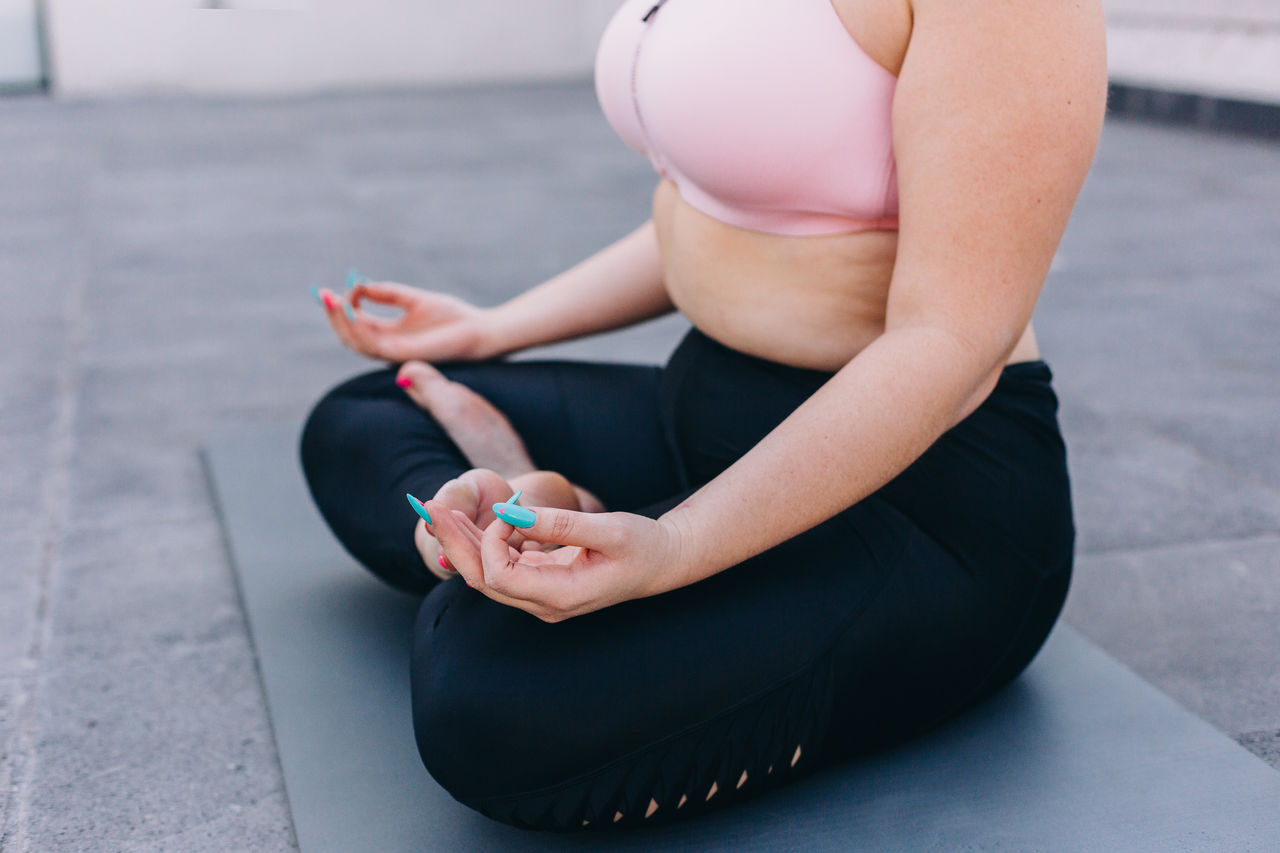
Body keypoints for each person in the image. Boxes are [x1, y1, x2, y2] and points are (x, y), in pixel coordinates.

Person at [300, 0, 1108, 831]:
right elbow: (725, 205)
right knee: (368, 414)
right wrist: (493, 327)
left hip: (920, 501)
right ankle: (504, 526)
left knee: (486, 694)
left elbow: (955, 343)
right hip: (707, 423)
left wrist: (676, 544)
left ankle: (526, 549)